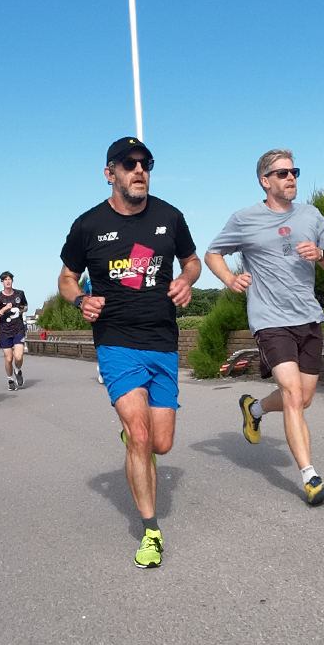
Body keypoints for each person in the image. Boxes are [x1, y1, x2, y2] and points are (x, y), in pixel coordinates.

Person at [58, 137, 200, 568]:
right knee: (141, 437)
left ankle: (133, 438)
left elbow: (191, 261)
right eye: (129, 164)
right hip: (116, 340)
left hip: (161, 339)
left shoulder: (169, 216)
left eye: (146, 163)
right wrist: (81, 299)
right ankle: (151, 531)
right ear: (110, 172)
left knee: (162, 442)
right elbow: (67, 277)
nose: (139, 170)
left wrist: (186, 280)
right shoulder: (88, 225)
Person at [205, 148, 324, 507]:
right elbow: (212, 253)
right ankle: (310, 478)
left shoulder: (312, 215)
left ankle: (253, 410)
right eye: (282, 173)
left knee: (303, 398)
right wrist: (229, 278)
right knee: (294, 395)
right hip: (270, 320)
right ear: (265, 181)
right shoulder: (245, 219)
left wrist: (321, 256)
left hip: (309, 317)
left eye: (294, 171)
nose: (291, 177)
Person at [0, 271, 28, 390]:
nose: (7, 281)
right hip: (5, 332)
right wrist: (5, 309)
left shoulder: (20, 294)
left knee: (18, 356)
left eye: (9, 279)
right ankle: (10, 379)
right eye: (5, 279)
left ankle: (17, 371)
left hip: (18, 329)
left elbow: (25, 306)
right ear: (2, 282)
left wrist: (21, 309)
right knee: (9, 358)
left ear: (12, 280)